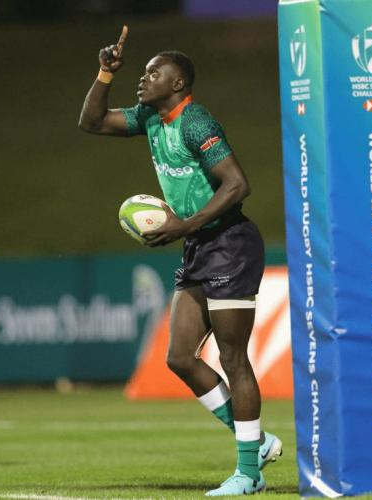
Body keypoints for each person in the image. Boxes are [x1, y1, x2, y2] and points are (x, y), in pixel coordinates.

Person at [78, 26, 282, 496]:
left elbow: (237, 185)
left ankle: (248, 474)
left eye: (153, 73)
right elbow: (91, 122)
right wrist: (105, 72)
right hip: (198, 247)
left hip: (230, 242)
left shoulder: (196, 122)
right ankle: (257, 443)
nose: (143, 79)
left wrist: (183, 226)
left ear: (178, 84)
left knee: (233, 357)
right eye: (142, 72)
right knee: (178, 358)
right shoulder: (151, 117)